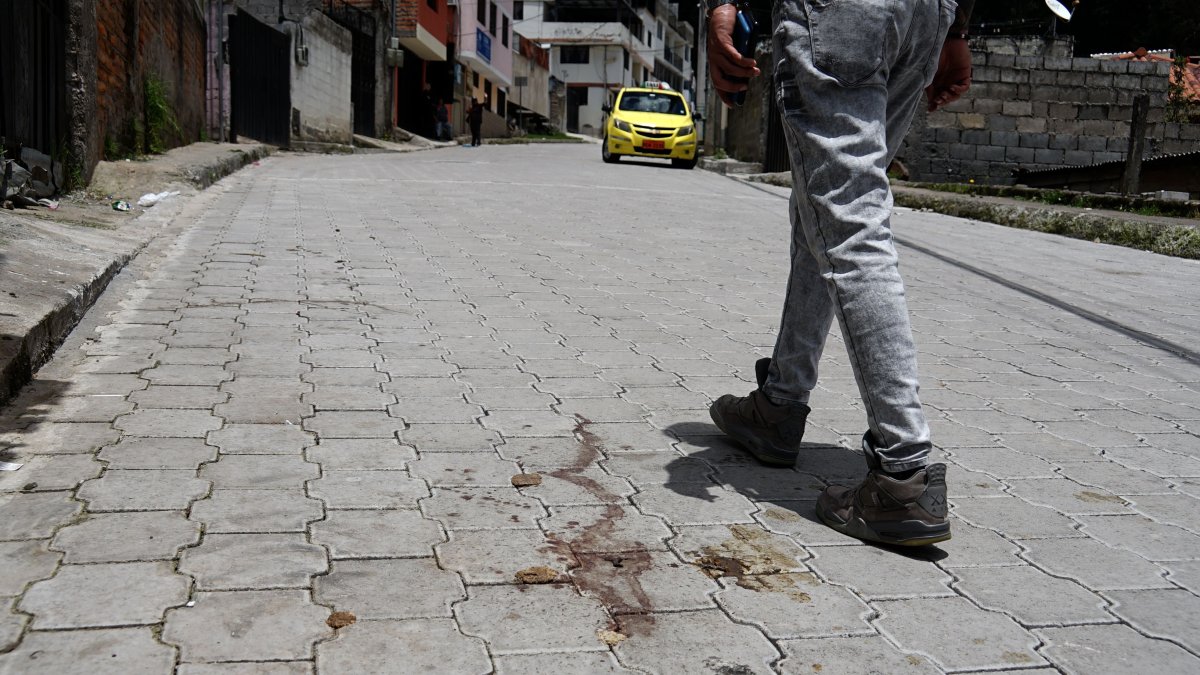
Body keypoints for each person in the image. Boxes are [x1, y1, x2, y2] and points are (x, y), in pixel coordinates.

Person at [705, 0, 974, 546]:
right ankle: (779, 405)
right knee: (827, 211)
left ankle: (904, 475)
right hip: (925, 14)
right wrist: (957, 24)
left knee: (849, 220)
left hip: (841, 12)